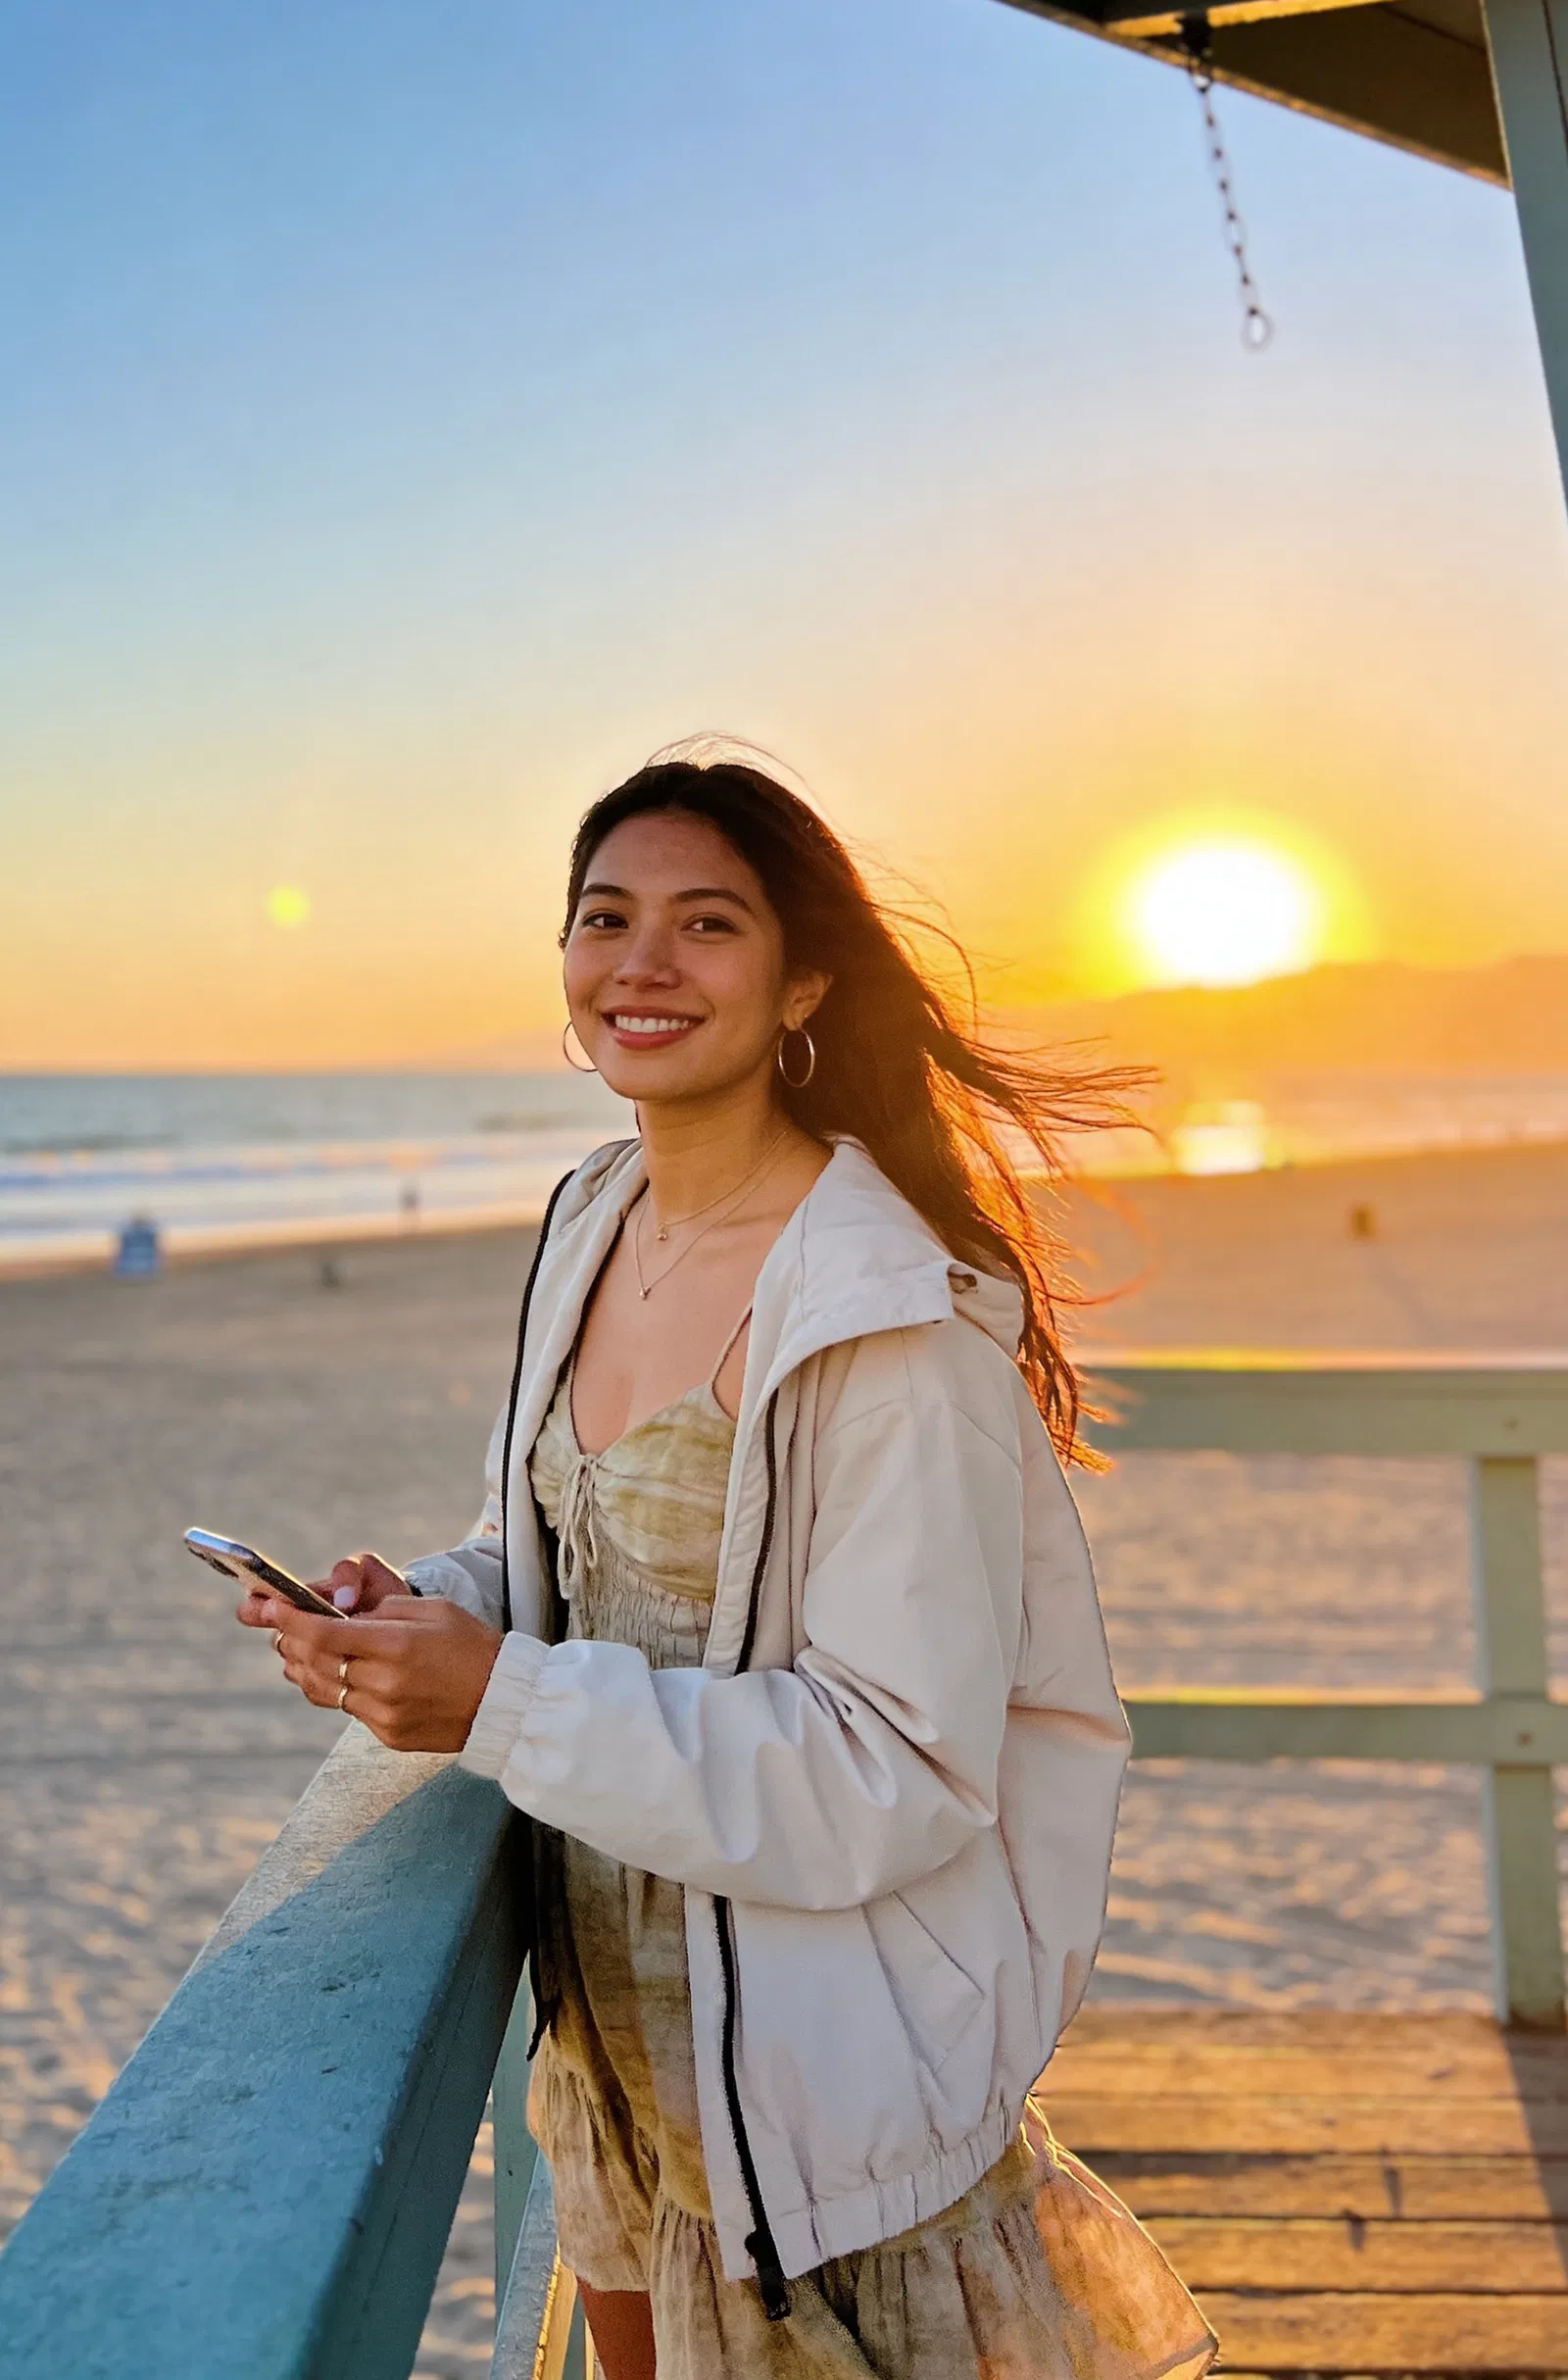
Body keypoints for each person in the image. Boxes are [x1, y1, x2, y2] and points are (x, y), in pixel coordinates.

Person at [246, 754, 1213, 2380]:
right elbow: (565, 1553)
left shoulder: (887, 1317)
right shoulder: (594, 1213)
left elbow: (897, 1765)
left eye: (707, 924)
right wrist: (427, 1612)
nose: (644, 962)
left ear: (801, 984)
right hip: (612, 2060)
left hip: (812, 2100)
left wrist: (497, 1702)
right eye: (605, 917)